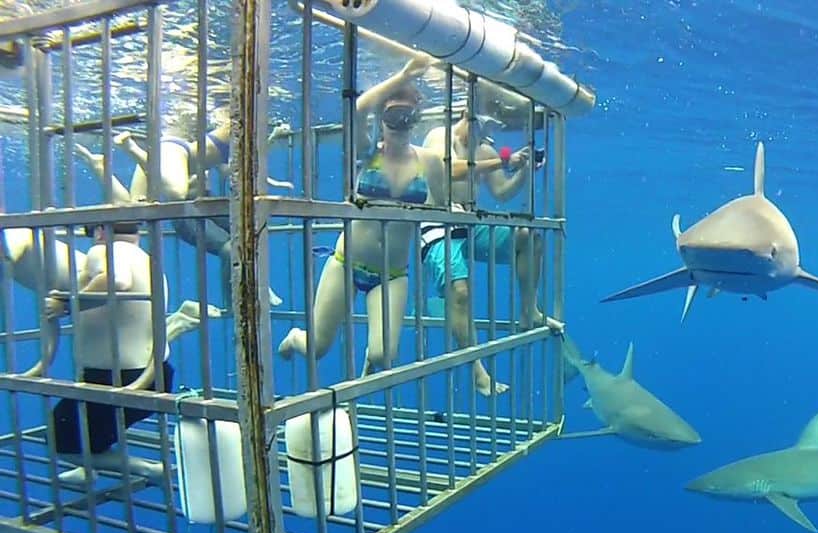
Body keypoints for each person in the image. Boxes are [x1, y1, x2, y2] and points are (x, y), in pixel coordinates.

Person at [277, 56, 511, 379]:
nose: (401, 122)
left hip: (392, 273)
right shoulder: (367, 152)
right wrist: (402, 75)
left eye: (408, 116)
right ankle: (295, 338)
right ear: (382, 118)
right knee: (318, 347)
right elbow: (358, 109)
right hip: (346, 262)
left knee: (383, 355)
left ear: (416, 119)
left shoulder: (429, 161)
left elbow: (443, 207)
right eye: (393, 114)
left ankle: (355, 397)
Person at [418, 82, 562, 396]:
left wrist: (524, 169)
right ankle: (477, 372)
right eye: (483, 123)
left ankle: (529, 310)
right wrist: (502, 161)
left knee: (529, 238)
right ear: (465, 113)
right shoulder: (439, 137)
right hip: (435, 224)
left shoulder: (484, 149)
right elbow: (448, 171)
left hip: (470, 223)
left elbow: (502, 191)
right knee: (460, 290)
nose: (487, 131)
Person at [72, 111, 291, 307]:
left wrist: (271, 142)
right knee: (227, 249)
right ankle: (233, 302)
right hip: (185, 214)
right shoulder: (171, 155)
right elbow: (132, 203)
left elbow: (238, 169)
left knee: (252, 232)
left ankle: (258, 286)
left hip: (206, 203)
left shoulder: (197, 151)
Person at [35, 220, 173, 485]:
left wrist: (65, 304)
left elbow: (117, 280)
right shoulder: (147, 260)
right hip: (152, 373)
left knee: (60, 439)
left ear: (99, 231)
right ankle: (90, 466)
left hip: (122, 380)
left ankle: (148, 469)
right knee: (91, 433)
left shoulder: (107, 250)